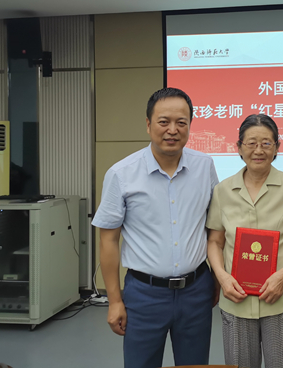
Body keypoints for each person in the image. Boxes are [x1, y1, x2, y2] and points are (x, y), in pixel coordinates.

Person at [92, 87, 219, 368]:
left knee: (195, 365)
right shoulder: (121, 174)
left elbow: (214, 229)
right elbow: (108, 241)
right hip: (144, 294)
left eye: (181, 122)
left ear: (190, 125)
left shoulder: (205, 167)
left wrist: (218, 279)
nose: (172, 130)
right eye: (164, 122)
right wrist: (114, 300)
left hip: (197, 290)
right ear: (148, 124)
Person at [206, 114, 283, 368]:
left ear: (277, 147)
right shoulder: (222, 191)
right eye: (251, 143)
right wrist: (222, 278)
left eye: (266, 143)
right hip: (237, 301)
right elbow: (214, 242)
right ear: (238, 147)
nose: (258, 150)